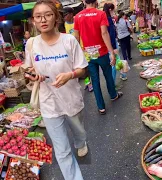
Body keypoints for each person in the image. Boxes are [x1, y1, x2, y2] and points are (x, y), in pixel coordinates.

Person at [25, 0, 88, 179]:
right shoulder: (31, 44)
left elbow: (83, 70)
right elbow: (28, 69)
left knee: (79, 133)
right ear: (33, 21)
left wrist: (70, 75)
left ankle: (80, 142)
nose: (43, 19)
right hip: (48, 104)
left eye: (48, 14)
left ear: (56, 18)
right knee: (62, 151)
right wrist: (32, 75)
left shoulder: (69, 41)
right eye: (38, 16)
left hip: (71, 99)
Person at [74, 0, 123, 115]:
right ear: (96, 1)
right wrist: (112, 52)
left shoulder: (78, 17)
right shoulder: (100, 14)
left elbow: (76, 37)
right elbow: (104, 33)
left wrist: (79, 54)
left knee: (95, 80)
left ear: (83, 1)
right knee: (108, 75)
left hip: (88, 55)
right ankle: (113, 95)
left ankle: (101, 106)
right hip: (102, 52)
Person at [64, 7, 93, 92]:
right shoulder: (65, 24)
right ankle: (87, 82)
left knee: (86, 67)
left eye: (66, 15)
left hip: (83, 48)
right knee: (79, 68)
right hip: (72, 49)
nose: (64, 17)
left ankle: (89, 83)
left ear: (71, 14)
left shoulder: (78, 20)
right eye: (64, 16)